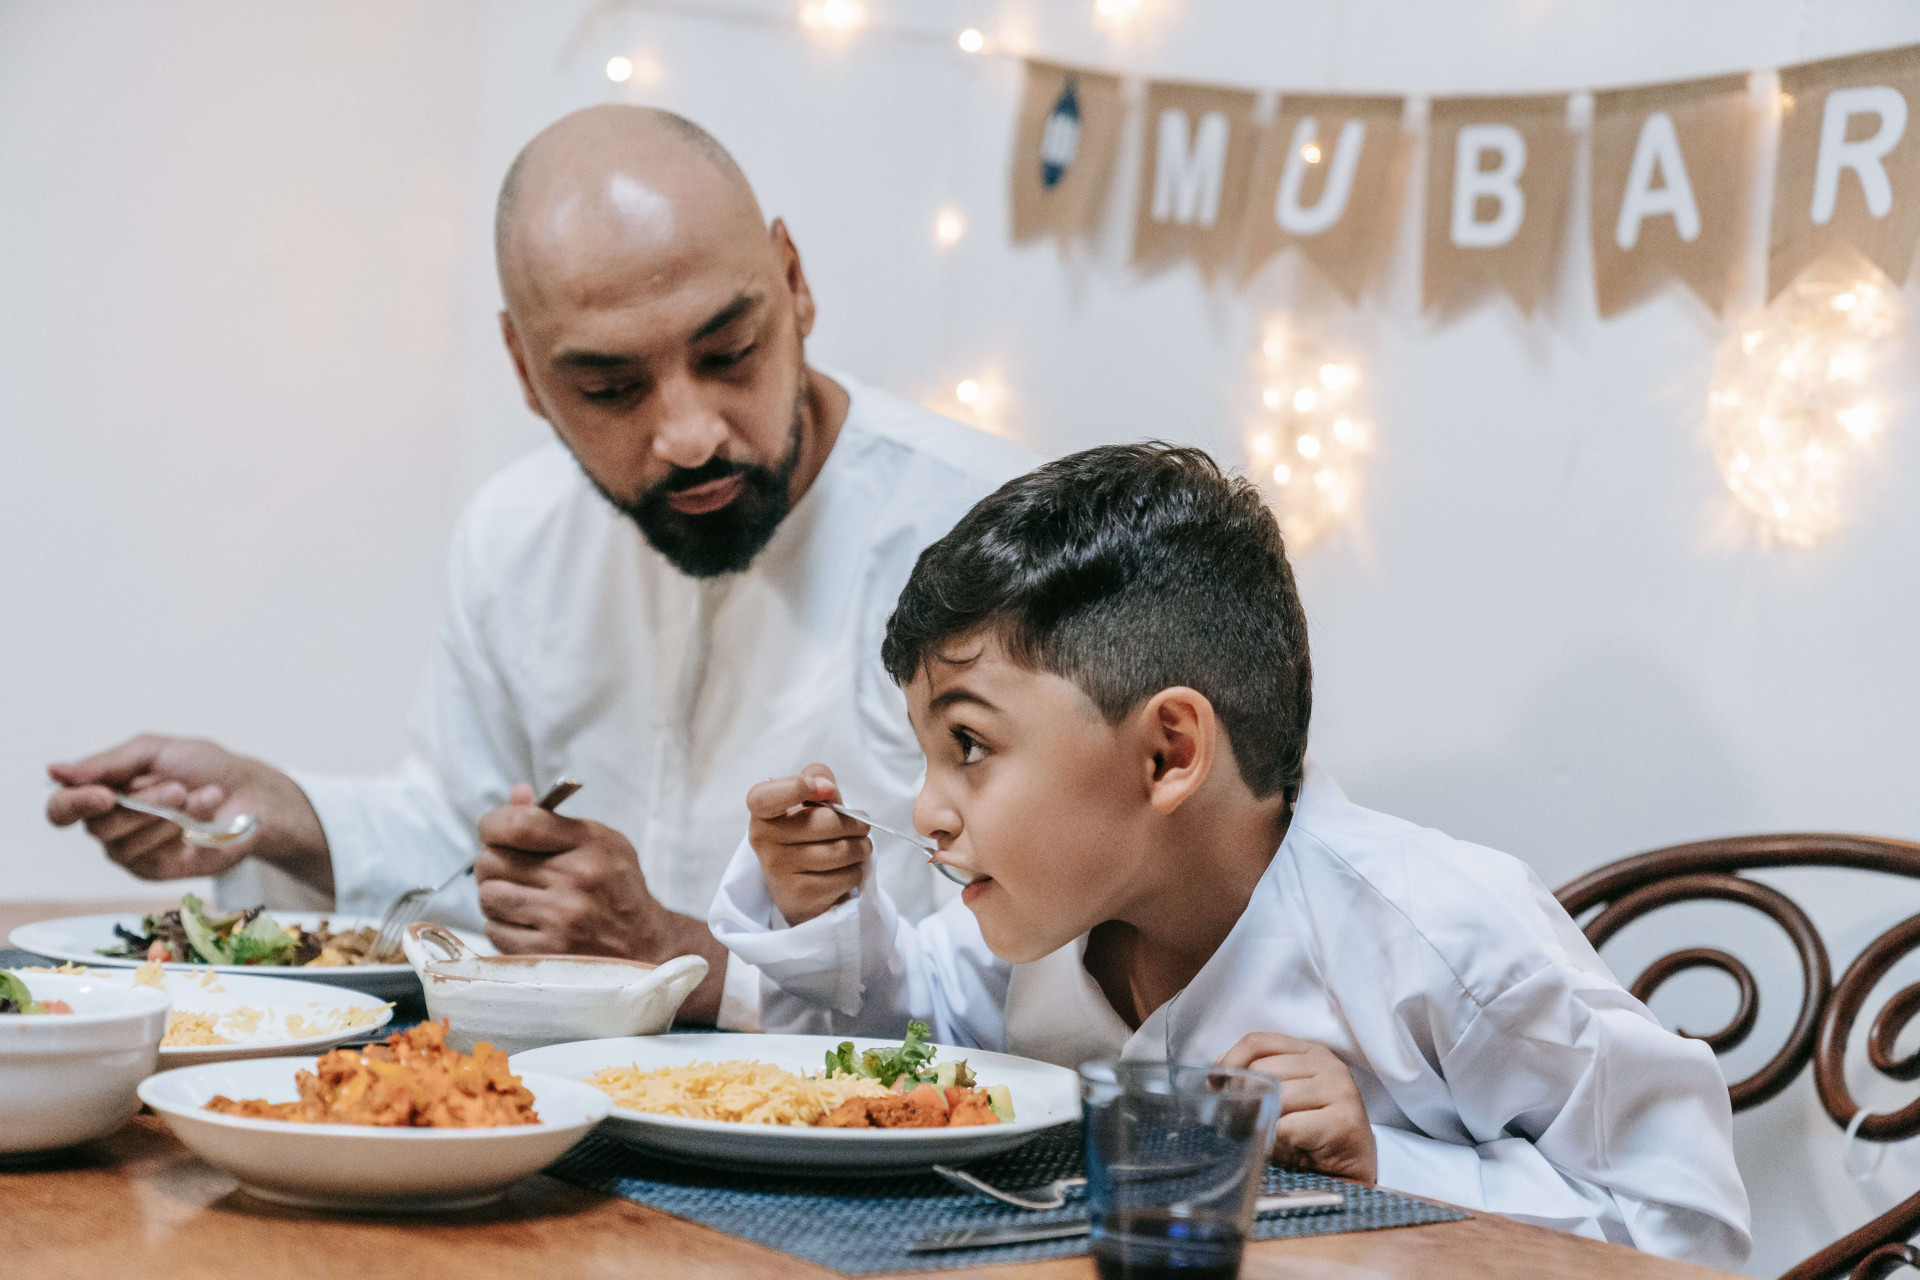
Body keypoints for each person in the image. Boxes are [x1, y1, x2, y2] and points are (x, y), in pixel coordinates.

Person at [42, 104, 1036, 1025]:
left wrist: (680, 956)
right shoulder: (517, 536)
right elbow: (467, 837)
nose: (688, 434)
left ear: (794, 281)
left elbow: (1063, 981)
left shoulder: (999, 532)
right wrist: (278, 815)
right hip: (560, 1141)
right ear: (524, 370)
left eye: (729, 350)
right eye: (609, 388)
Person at [710, 444, 1751, 1267]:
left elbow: (1685, 1227)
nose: (927, 811)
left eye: (970, 747)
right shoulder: (1037, 928)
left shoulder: (1445, 937)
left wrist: (1392, 1162)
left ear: (1167, 752)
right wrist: (822, 913)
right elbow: (881, 1070)